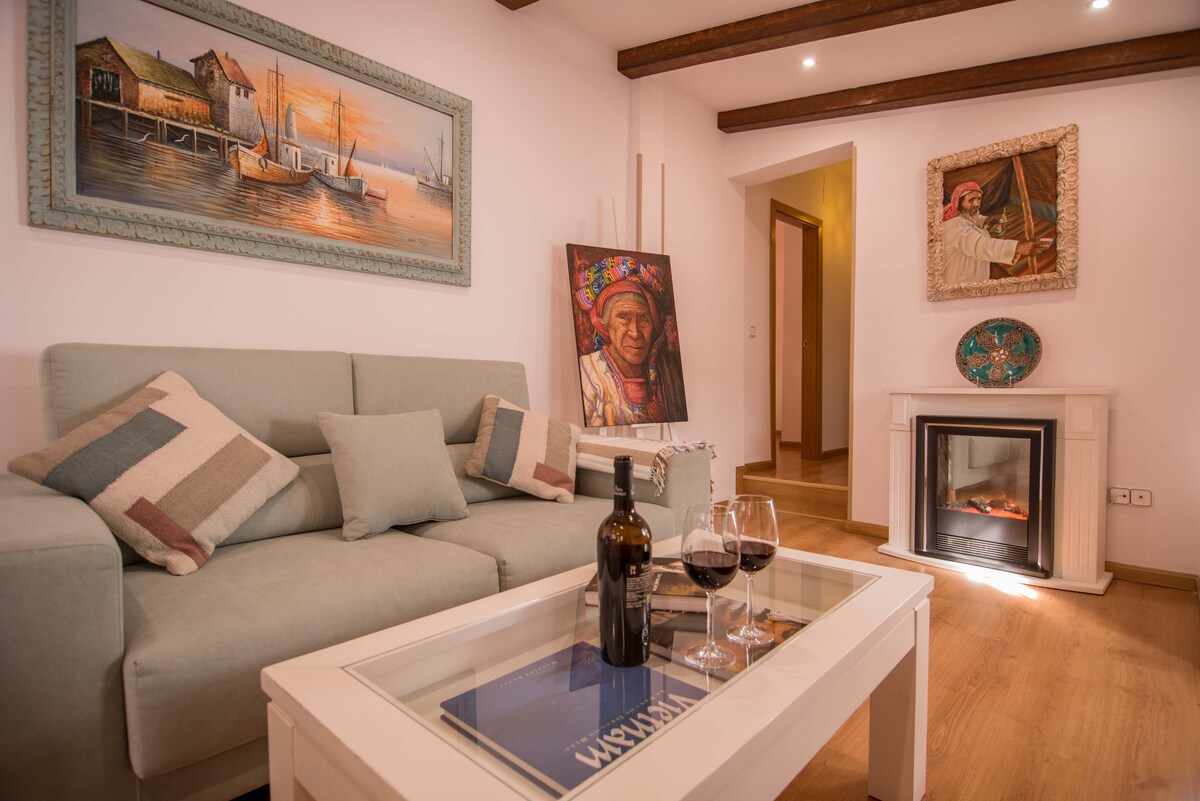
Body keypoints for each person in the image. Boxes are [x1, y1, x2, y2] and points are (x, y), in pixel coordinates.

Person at [577, 276, 684, 427]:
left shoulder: (668, 375)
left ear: (654, 325)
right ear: (605, 323)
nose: (635, 332)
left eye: (644, 318)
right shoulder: (588, 372)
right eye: (623, 317)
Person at [942, 181, 1049, 285]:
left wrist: (986, 220)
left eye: (979, 199)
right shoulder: (954, 225)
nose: (976, 204)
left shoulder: (960, 216)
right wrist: (1017, 247)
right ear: (959, 202)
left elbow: (971, 220)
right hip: (960, 279)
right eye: (971, 200)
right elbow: (980, 245)